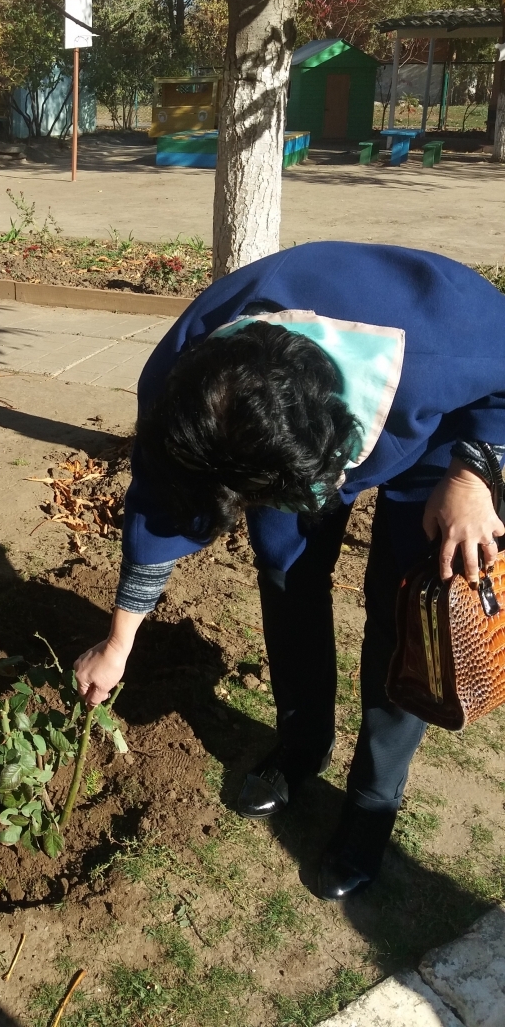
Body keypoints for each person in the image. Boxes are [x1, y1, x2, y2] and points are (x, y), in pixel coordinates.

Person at [74, 242, 505, 899]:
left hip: (439, 439)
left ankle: (371, 801)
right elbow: (163, 505)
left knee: (405, 611)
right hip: (289, 440)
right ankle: (303, 744)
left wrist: (476, 471)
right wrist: (119, 642)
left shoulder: (446, 342)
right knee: (286, 573)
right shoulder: (183, 393)